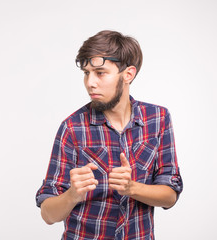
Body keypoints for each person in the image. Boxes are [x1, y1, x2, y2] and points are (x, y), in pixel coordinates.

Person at [35, 30, 183, 240]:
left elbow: (170, 196)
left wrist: (132, 188)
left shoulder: (157, 119)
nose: (90, 83)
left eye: (100, 72)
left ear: (128, 74)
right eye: (86, 73)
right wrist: (72, 195)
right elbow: (48, 214)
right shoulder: (72, 128)